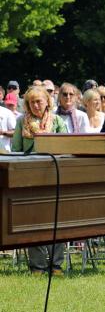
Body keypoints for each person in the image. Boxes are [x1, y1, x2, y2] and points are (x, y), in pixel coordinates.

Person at [12, 86, 69, 274]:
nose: (36, 105)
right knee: (32, 221)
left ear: (47, 102)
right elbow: (16, 151)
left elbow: (67, 147)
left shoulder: (58, 121)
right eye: (32, 102)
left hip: (54, 176)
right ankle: (37, 266)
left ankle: (56, 265)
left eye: (39, 101)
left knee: (56, 220)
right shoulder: (21, 122)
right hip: (30, 178)